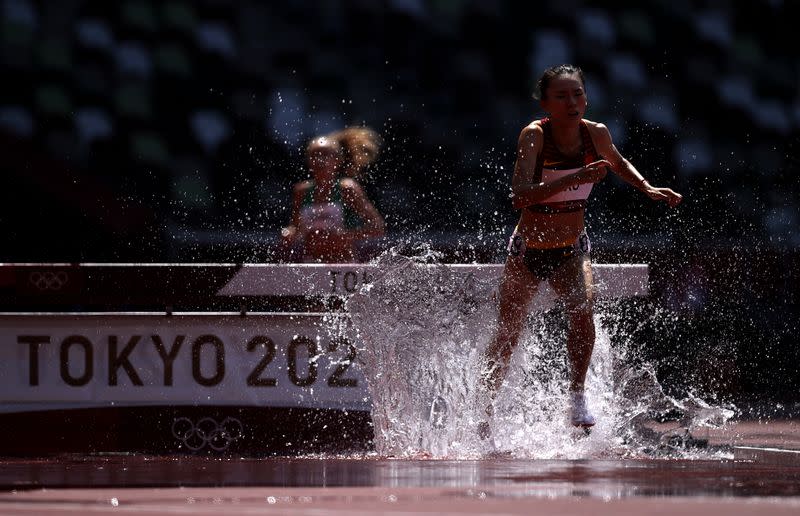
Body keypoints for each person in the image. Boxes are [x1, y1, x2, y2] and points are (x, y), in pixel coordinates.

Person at [478, 64, 682, 437]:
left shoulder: (596, 133)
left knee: (583, 311)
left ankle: (577, 394)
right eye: (562, 96)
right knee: (508, 332)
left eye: (578, 94)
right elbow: (519, 195)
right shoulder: (534, 136)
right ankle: (483, 412)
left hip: (571, 248)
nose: (572, 102)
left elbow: (618, 163)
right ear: (545, 102)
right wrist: (576, 177)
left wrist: (648, 188)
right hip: (528, 251)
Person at [279, 127, 385, 263]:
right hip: (311, 265)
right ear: (308, 161)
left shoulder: (347, 189)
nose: (319, 160)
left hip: (344, 264)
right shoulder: (301, 190)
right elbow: (296, 227)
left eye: (325, 155)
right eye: (314, 155)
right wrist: (288, 233)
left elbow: (377, 228)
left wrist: (344, 236)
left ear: (338, 160)